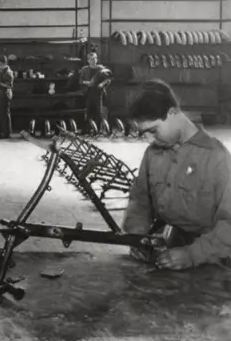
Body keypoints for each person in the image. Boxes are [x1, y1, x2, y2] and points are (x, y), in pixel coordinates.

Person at [122, 79, 231, 270]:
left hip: (213, 262)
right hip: (166, 252)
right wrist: (138, 237)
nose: (148, 139)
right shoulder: (153, 154)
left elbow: (229, 225)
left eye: (153, 130)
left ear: (173, 113)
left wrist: (192, 255)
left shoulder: (217, 158)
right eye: (143, 133)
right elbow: (139, 201)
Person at [78, 51, 111, 132]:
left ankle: (98, 130)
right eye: (92, 59)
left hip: (98, 93)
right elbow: (80, 81)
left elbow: (108, 79)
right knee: (88, 111)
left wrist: (102, 84)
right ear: (88, 60)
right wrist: (87, 82)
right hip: (88, 92)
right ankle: (87, 130)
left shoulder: (101, 69)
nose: (94, 60)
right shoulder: (84, 69)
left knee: (98, 112)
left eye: (95, 58)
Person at [0, 55, 14, 139]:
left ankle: (6, 133)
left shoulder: (8, 72)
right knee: (1, 114)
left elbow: (9, 85)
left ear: (3, 64)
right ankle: (2, 132)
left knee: (5, 114)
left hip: (5, 94)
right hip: (2, 94)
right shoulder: (3, 71)